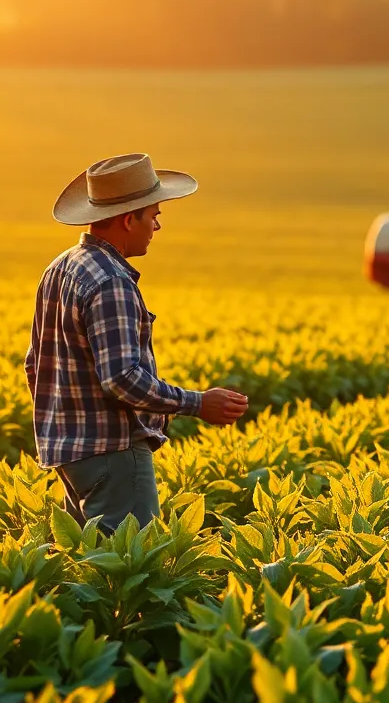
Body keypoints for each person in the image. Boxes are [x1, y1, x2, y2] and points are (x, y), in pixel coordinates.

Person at [25, 153, 249, 534]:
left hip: (69, 455)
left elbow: (35, 364)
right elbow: (123, 379)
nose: (158, 225)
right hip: (113, 453)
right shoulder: (111, 280)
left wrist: (65, 421)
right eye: (154, 215)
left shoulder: (60, 267)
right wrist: (198, 403)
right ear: (129, 220)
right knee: (132, 564)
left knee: (87, 566)